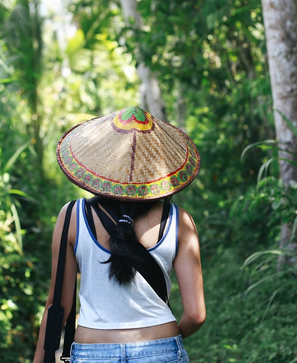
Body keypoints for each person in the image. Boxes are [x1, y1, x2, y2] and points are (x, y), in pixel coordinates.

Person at [33, 106, 205, 363]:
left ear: (102, 163)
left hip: (93, 351)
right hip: (161, 348)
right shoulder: (179, 220)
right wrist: (163, 343)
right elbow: (195, 314)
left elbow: (58, 306)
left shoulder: (71, 216)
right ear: (156, 169)